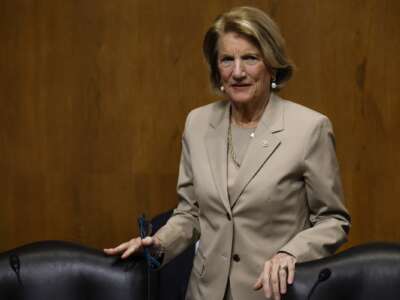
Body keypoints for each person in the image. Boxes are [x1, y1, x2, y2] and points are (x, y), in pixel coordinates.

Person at [104, 6, 351, 300]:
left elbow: (333, 221)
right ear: (216, 69)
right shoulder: (197, 123)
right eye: (227, 59)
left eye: (250, 58)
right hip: (203, 293)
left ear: (271, 64)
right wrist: (158, 243)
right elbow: (190, 213)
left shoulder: (309, 128)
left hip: (272, 294)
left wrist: (290, 253)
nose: (237, 72)